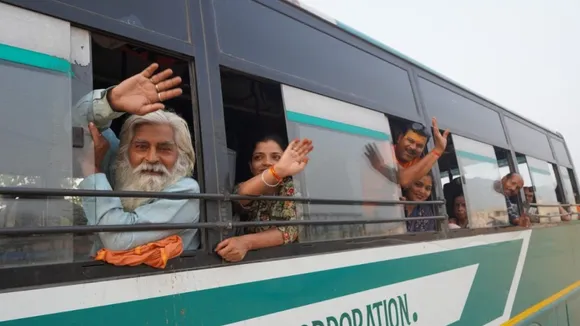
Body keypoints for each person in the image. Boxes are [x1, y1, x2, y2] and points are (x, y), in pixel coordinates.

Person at [76, 63, 201, 253]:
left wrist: (93, 171)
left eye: (165, 149)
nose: (151, 158)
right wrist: (111, 102)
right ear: (125, 150)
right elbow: (76, 124)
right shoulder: (118, 163)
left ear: (181, 155)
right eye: (141, 147)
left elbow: (118, 240)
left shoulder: (187, 191)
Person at [215, 135, 313, 262]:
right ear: (250, 166)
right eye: (258, 157)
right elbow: (240, 195)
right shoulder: (247, 185)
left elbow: (288, 230)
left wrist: (246, 242)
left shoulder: (293, 188)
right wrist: (277, 170)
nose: (267, 162)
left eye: (276, 157)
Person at [365, 118, 449, 188]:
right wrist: (438, 150)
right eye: (410, 141)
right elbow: (403, 179)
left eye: (419, 146)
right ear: (399, 138)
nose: (413, 147)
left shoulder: (418, 162)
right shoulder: (385, 149)